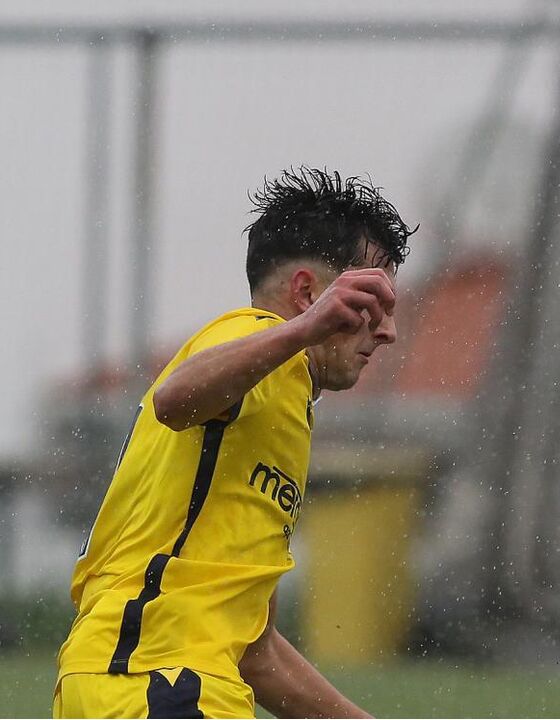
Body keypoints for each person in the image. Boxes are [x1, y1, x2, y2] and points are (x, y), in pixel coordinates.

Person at [54, 168, 414, 718]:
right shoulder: (251, 334)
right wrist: (303, 329)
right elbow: (173, 399)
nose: (386, 330)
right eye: (373, 301)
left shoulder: (278, 401)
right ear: (307, 292)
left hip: (152, 683)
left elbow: (257, 651)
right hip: (157, 680)